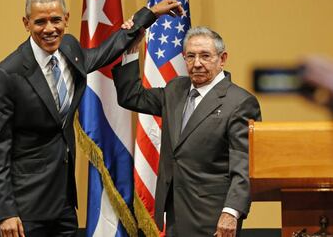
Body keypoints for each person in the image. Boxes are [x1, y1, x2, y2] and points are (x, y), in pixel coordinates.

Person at [0, 0, 183, 237]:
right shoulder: (6, 75)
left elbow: (101, 54)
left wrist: (148, 15)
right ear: (26, 23)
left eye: (55, 20)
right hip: (25, 208)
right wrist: (5, 211)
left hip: (63, 202)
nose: (49, 29)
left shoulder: (69, 47)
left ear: (66, 18)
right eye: (40, 22)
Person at [112, 26, 262, 237]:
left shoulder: (240, 102)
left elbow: (244, 165)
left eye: (205, 56)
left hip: (213, 217)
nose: (197, 63)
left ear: (222, 59)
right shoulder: (176, 90)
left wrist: (231, 212)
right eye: (190, 56)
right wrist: (131, 50)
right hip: (174, 214)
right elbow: (131, 96)